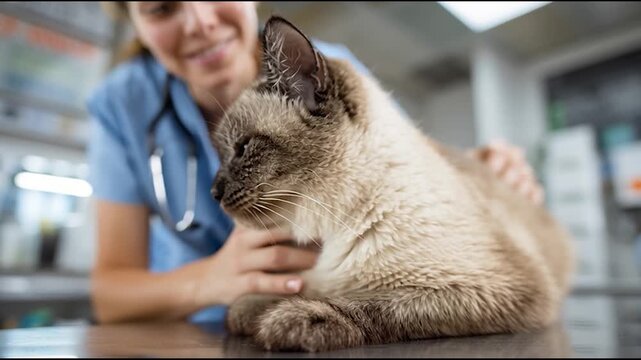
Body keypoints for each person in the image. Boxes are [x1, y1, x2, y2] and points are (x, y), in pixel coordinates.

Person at [88, 2, 545, 325]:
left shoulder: (321, 69)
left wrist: (481, 172)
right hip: (196, 325)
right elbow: (109, 296)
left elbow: (403, 164)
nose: (200, 21)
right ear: (134, 22)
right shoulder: (124, 101)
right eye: (162, 8)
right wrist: (210, 281)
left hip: (335, 303)